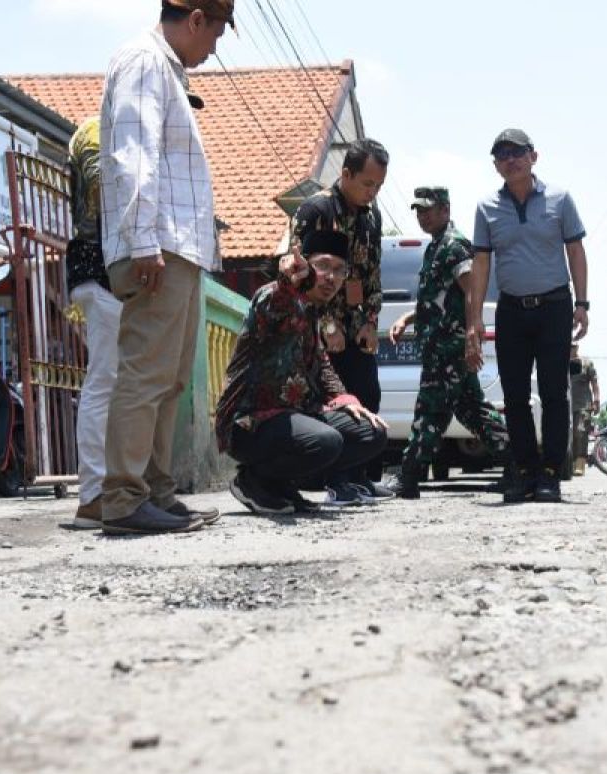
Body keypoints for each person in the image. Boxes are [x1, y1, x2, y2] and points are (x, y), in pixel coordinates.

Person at [97, 0, 233, 535]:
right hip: (158, 247)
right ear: (196, 19)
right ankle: (124, 498)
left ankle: (154, 492)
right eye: (216, 33)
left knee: (170, 381)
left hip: (178, 248)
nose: (214, 48)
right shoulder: (143, 61)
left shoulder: (166, 70)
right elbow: (134, 155)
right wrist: (144, 239)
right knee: (146, 374)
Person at [215, 231, 387, 513]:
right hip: (250, 423)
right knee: (326, 442)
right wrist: (287, 283)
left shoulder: (313, 312)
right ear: (305, 265)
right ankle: (253, 481)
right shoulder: (273, 295)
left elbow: (324, 368)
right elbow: (274, 303)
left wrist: (348, 402)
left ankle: (281, 485)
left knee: (371, 433)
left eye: (339, 271)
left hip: (294, 418)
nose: (331, 277)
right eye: (323, 266)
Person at [466, 128, 589, 503]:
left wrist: (582, 303)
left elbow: (576, 252)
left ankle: (551, 474)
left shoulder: (560, 199)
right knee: (515, 396)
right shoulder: (487, 208)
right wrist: (474, 320)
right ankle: (525, 472)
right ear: (495, 165)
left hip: (554, 307)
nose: (511, 160)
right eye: (502, 155)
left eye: (517, 153)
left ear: (533, 156)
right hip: (512, 310)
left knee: (554, 393)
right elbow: (481, 264)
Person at [387, 186, 511, 498]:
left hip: (450, 346)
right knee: (471, 409)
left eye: (428, 209)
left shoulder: (455, 246)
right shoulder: (435, 247)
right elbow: (435, 299)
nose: (422, 216)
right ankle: (517, 464)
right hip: (439, 345)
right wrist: (407, 319)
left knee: (430, 408)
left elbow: (472, 290)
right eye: (418, 210)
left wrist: (472, 335)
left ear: (445, 210)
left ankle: (409, 477)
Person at [292, 139, 392, 503]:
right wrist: (327, 324)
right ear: (346, 174)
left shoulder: (372, 216)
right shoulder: (316, 209)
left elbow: (372, 273)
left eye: (378, 186)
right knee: (334, 401)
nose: (372, 192)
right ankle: (335, 480)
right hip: (321, 331)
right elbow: (299, 272)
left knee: (367, 395)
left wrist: (370, 320)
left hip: (358, 326)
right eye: (367, 184)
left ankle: (361, 476)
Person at [64, 116, 122, 530]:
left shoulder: (92, 129)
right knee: (106, 380)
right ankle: (94, 495)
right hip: (103, 267)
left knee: (109, 380)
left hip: (93, 266)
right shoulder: (106, 130)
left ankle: (105, 490)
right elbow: (104, 189)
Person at [569, 342, 600, 476]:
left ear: (577, 347)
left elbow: (594, 384)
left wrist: (596, 400)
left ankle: (580, 464)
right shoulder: (560, 362)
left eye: (573, 346)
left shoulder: (586, 363)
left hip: (583, 405)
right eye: (569, 346)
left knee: (580, 432)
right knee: (568, 435)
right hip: (566, 405)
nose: (571, 348)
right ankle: (569, 464)